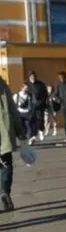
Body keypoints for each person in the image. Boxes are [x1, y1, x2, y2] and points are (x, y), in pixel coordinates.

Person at [0, 76, 27, 212]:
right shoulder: (3, 86)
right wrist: (20, 132)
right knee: (6, 164)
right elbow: (13, 111)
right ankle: (4, 191)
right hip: (4, 132)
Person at [25, 71, 48, 141]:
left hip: (40, 105)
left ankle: (41, 131)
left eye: (34, 76)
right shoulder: (26, 84)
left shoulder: (41, 84)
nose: (33, 77)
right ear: (29, 77)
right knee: (31, 120)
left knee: (40, 119)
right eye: (31, 76)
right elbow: (24, 93)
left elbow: (45, 94)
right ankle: (33, 135)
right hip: (30, 106)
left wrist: (42, 102)